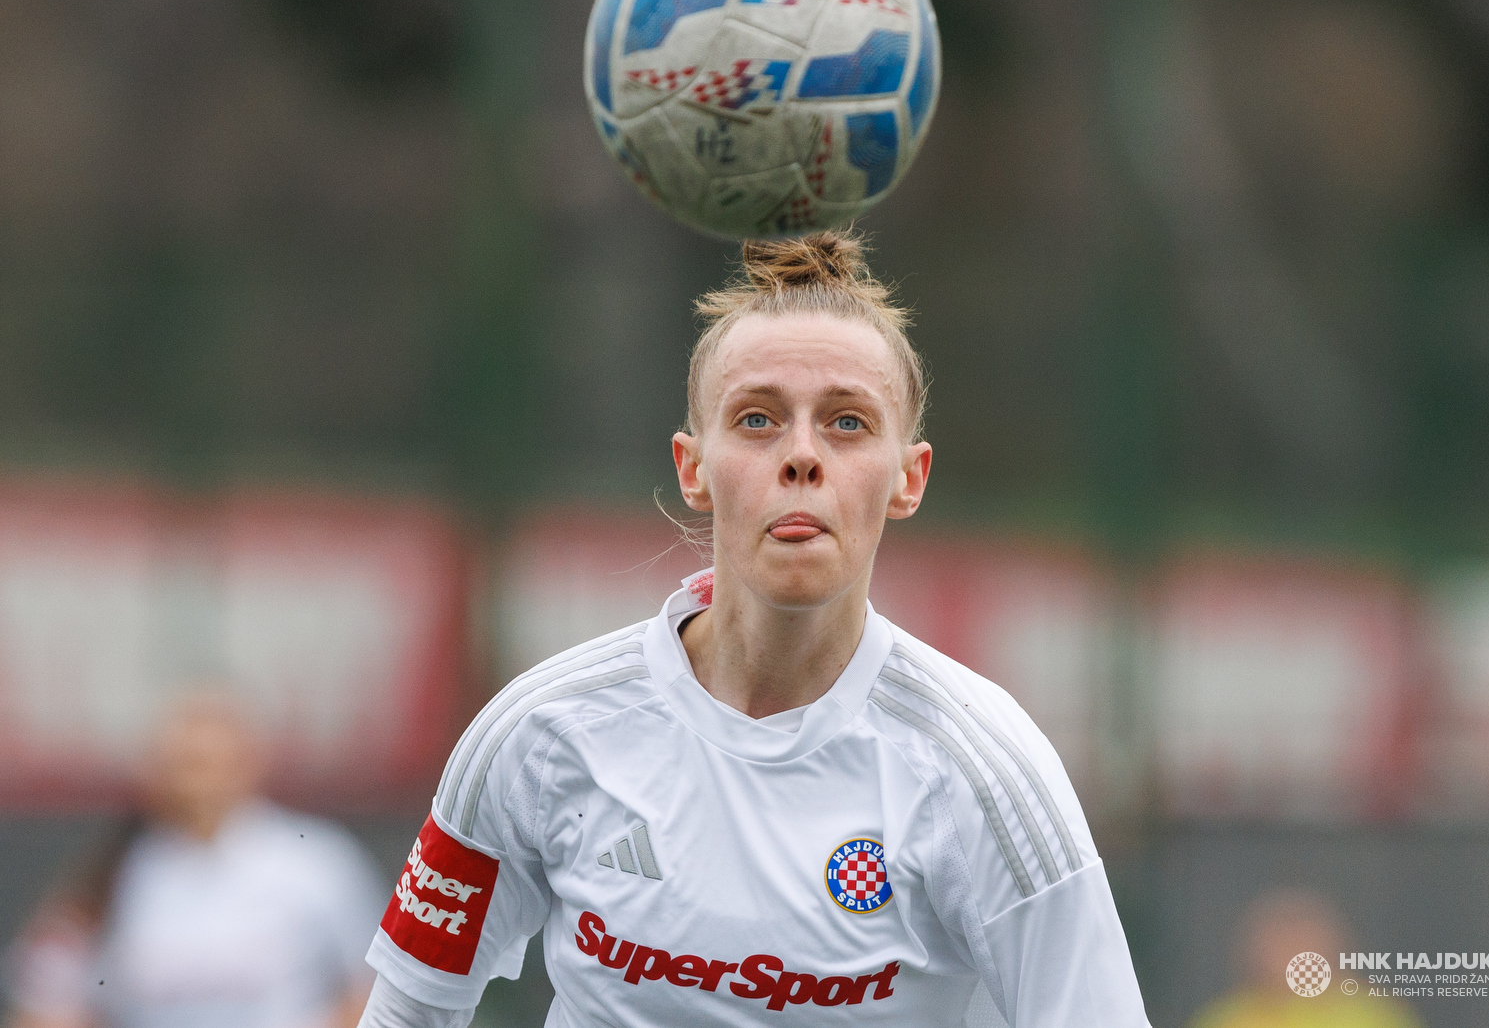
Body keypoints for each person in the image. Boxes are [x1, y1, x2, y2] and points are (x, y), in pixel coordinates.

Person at [358, 230, 1151, 1027]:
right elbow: (407, 1014)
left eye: (846, 423)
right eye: (758, 419)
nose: (802, 456)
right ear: (692, 465)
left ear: (908, 479)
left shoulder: (985, 774)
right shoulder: (539, 733)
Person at [3, 695, 387, 1028]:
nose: (197, 782)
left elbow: (380, 990)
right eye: (183, 763)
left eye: (209, 762)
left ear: (250, 762)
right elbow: (47, 1003)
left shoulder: (316, 862)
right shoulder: (114, 872)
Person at [1188, 889, 1423, 1028]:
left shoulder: (1375, 1014)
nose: (1291, 947)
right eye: (1279, 936)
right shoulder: (1227, 1018)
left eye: (1302, 934)